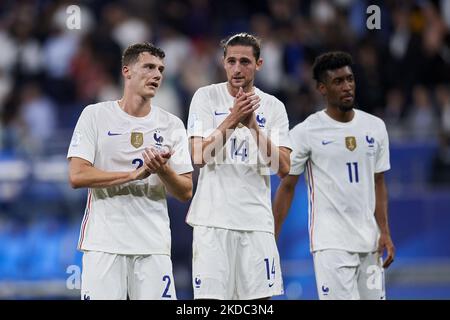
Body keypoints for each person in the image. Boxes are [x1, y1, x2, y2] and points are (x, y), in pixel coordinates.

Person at [67, 42, 193, 300]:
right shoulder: (95, 115)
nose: (157, 74)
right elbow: (77, 175)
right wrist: (133, 175)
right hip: (104, 244)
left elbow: (185, 191)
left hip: (153, 246)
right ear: (127, 71)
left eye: (160, 69)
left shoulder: (172, 125)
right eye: (148, 67)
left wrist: (163, 170)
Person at [273, 51, 395, 300]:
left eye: (350, 79)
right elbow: (287, 187)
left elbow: (379, 182)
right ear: (322, 88)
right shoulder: (306, 132)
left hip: (370, 244)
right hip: (331, 245)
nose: (347, 86)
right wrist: (271, 236)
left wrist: (385, 231)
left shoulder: (375, 127)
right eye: (338, 82)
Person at [186, 33, 291, 300]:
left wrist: (254, 127)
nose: (237, 68)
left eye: (245, 61)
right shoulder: (205, 97)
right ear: (223, 63)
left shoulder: (274, 107)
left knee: (258, 304)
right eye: (231, 61)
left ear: (259, 64)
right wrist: (232, 119)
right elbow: (197, 156)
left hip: (256, 223)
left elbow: (284, 168)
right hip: (212, 222)